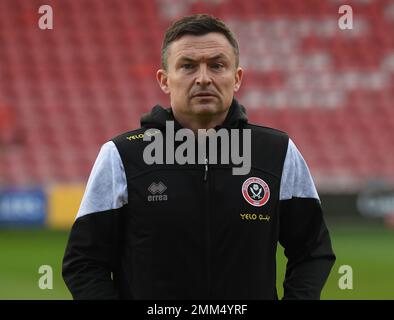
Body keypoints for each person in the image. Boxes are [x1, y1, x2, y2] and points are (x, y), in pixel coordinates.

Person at [62, 14, 335, 300]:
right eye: (188, 66)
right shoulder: (121, 156)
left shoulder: (277, 153)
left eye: (217, 66)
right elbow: (83, 263)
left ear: (237, 77)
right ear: (165, 80)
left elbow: (312, 251)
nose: (203, 78)